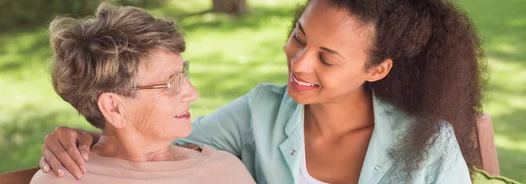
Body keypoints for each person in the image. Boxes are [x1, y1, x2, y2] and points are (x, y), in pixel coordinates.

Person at [38, 0, 486, 183]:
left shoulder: (428, 147)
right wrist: (84, 137)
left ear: (377, 68)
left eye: (327, 58)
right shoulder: (258, 113)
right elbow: (154, 140)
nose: (299, 61)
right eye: (299, 36)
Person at [30, 3, 255, 184]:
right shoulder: (60, 179)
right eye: (171, 83)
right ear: (114, 107)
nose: (193, 93)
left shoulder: (224, 171)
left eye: (184, 74)